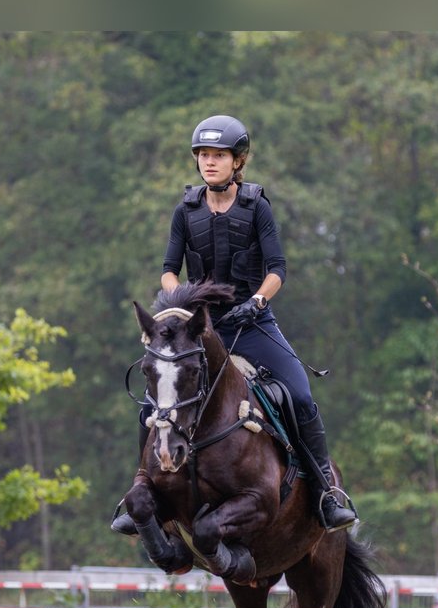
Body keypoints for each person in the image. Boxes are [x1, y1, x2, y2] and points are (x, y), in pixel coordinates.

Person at [112, 114, 357, 536]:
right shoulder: (185, 211)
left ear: (237, 162)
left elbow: (277, 268)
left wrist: (258, 300)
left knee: (298, 393)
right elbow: (170, 271)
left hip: (252, 321)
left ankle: (325, 492)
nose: (209, 163)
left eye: (218, 156)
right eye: (203, 155)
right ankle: (139, 489)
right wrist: (178, 305)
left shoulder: (257, 206)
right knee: (155, 406)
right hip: (198, 327)